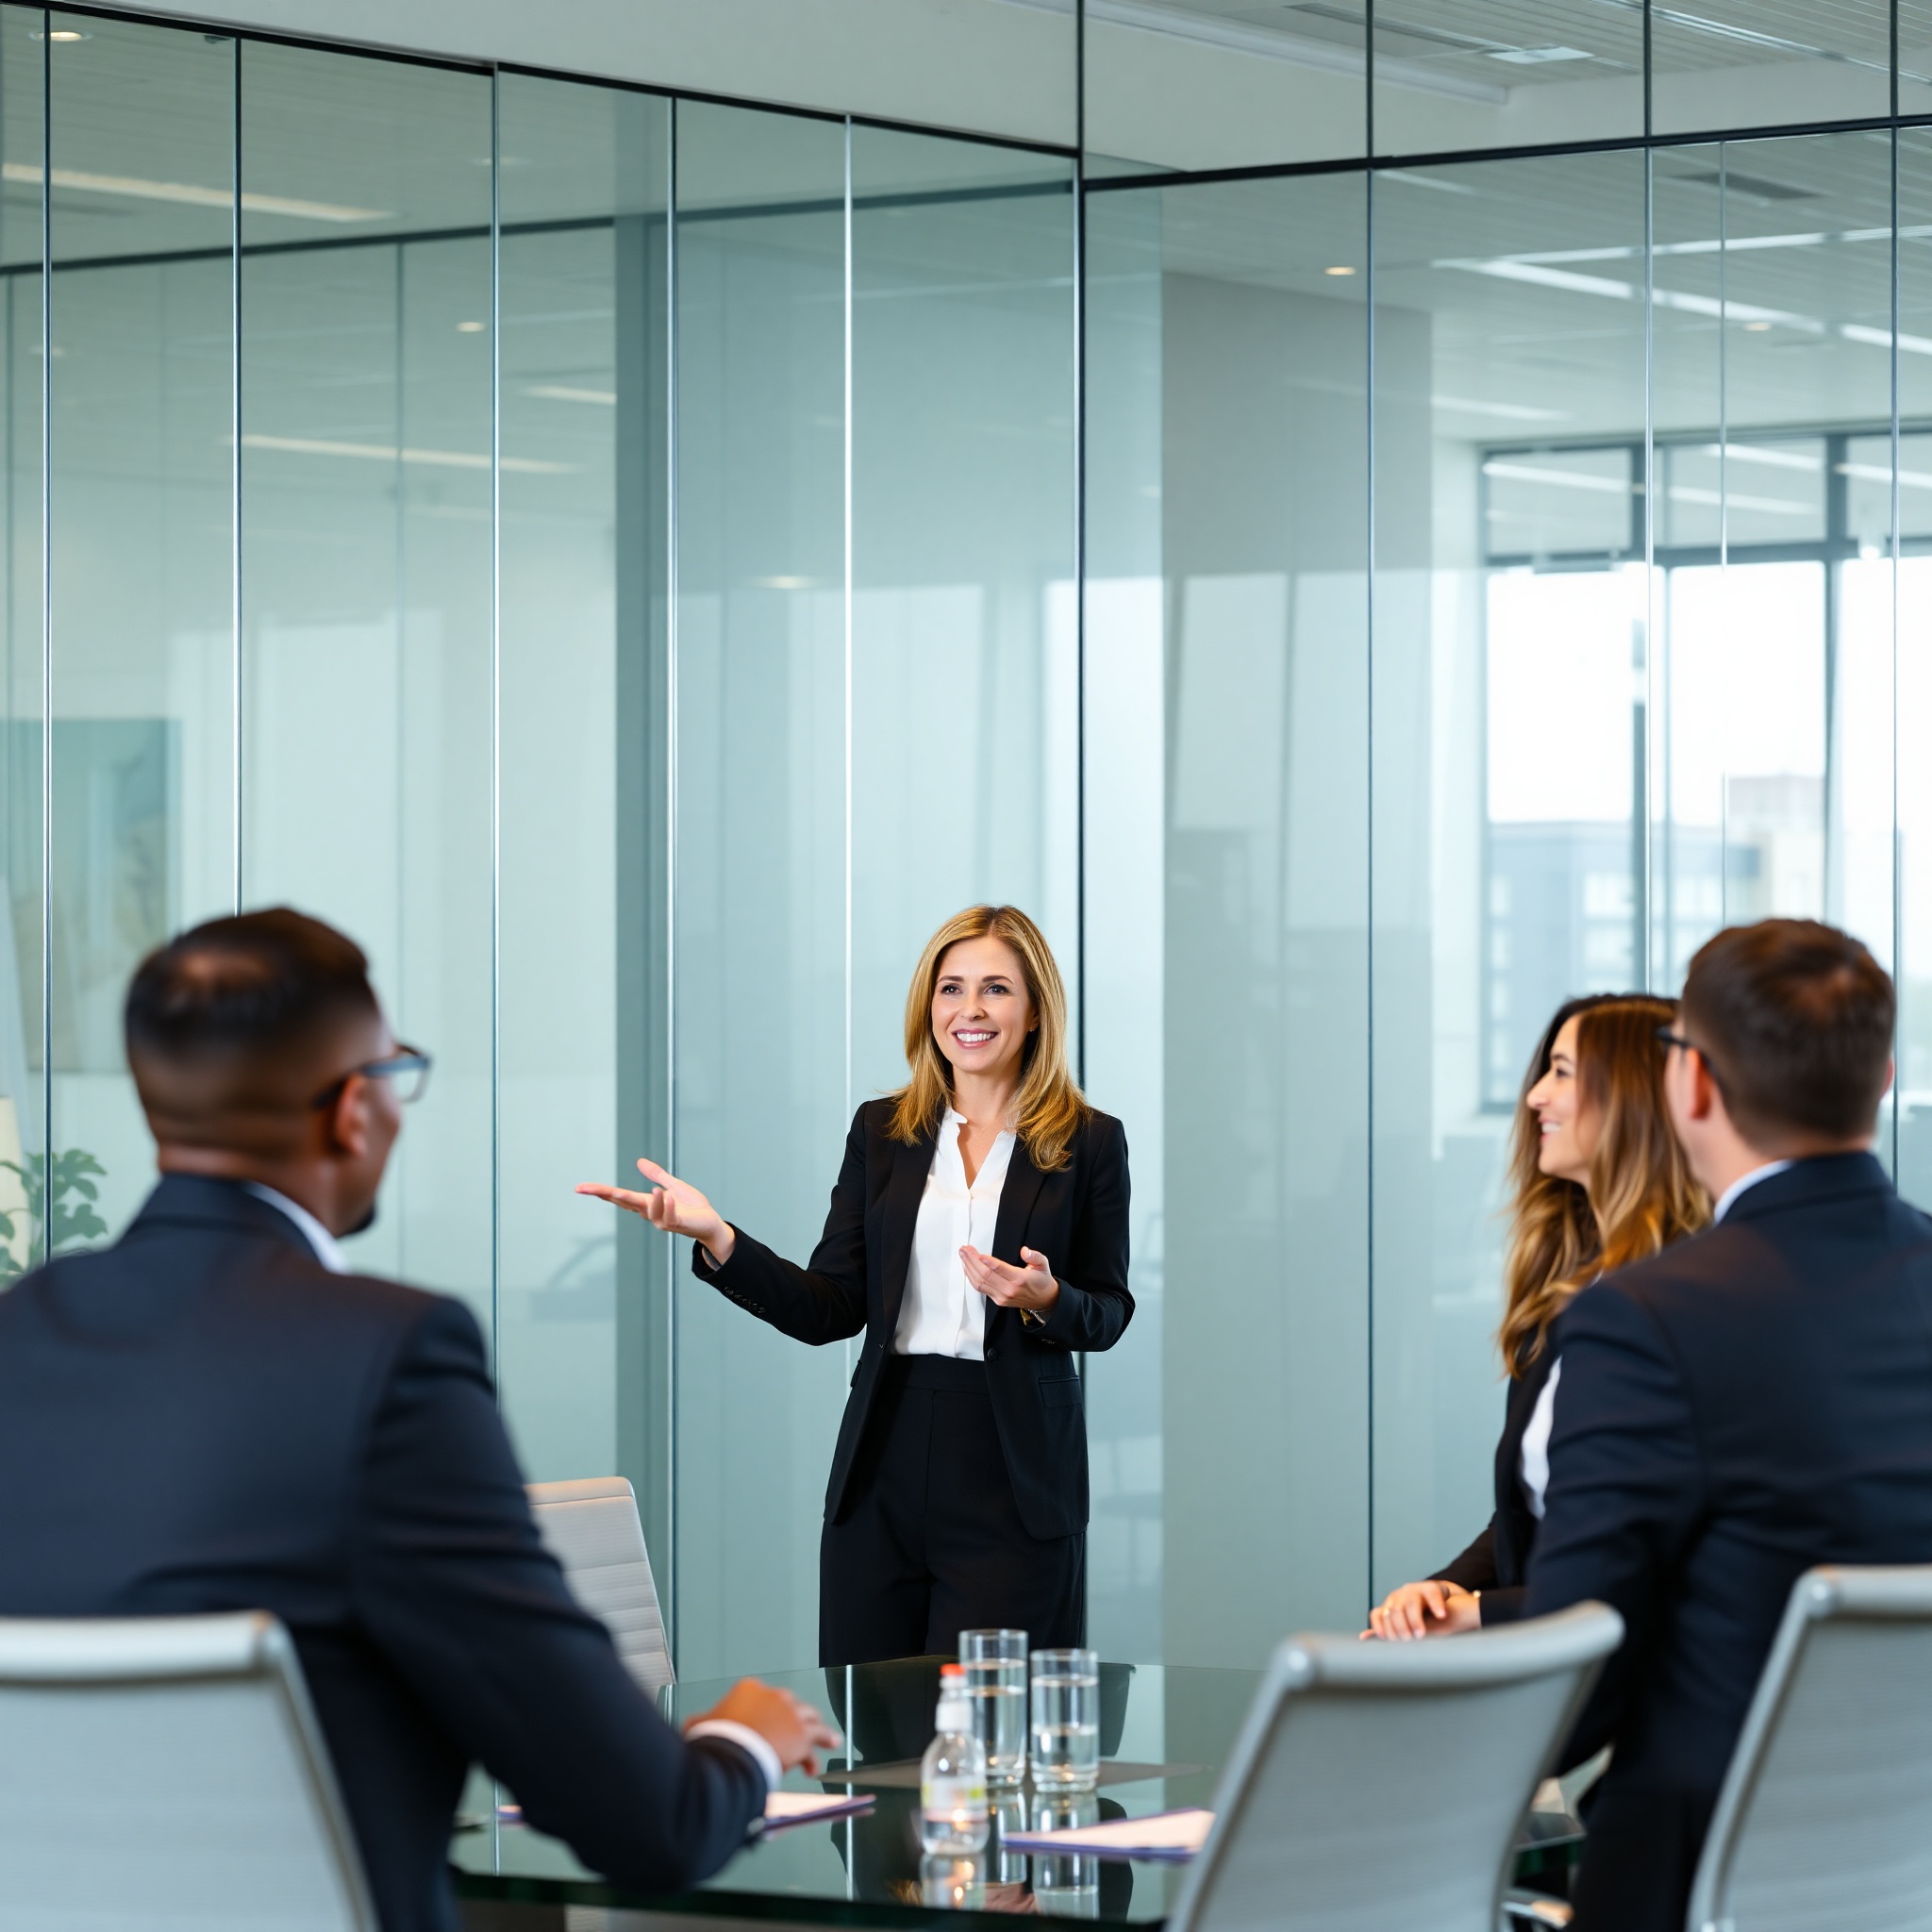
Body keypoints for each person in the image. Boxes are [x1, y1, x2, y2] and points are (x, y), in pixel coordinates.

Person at [0, 909, 837, 1932]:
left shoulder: (21, 1331)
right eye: (396, 1074)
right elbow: (646, 1822)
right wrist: (740, 1741)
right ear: (354, 1108)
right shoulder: (386, 1355)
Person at [581, 904, 1132, 1666]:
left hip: (1013, 1469)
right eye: (951, 988)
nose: (969, 1010)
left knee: (991, 1740)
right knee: (875, 1732)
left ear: (1035, 1010)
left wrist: (1047, 1300)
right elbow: (830, 1307)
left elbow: (1108, 1310)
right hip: (885, 1455)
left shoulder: (1088, 1140)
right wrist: (718, 1238)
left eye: (996, 989)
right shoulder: (883, 1130)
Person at [1524, 919, 1932, 1932]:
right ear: (1879, 1077)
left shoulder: (1646, 1316)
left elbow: (1569, 1682)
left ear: (1690, 1085)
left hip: (1690, 1877)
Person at [1366, 993, 1707, 1639]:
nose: (1535, 1098)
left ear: (1632, 1095)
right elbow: (1531, 1516)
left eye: (1562, 1071)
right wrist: (1444, 1591)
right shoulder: (1569, 1290)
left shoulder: (1689, 1298)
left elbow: (1654, 1565)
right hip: (1553, 1657)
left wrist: (1481, 1615)